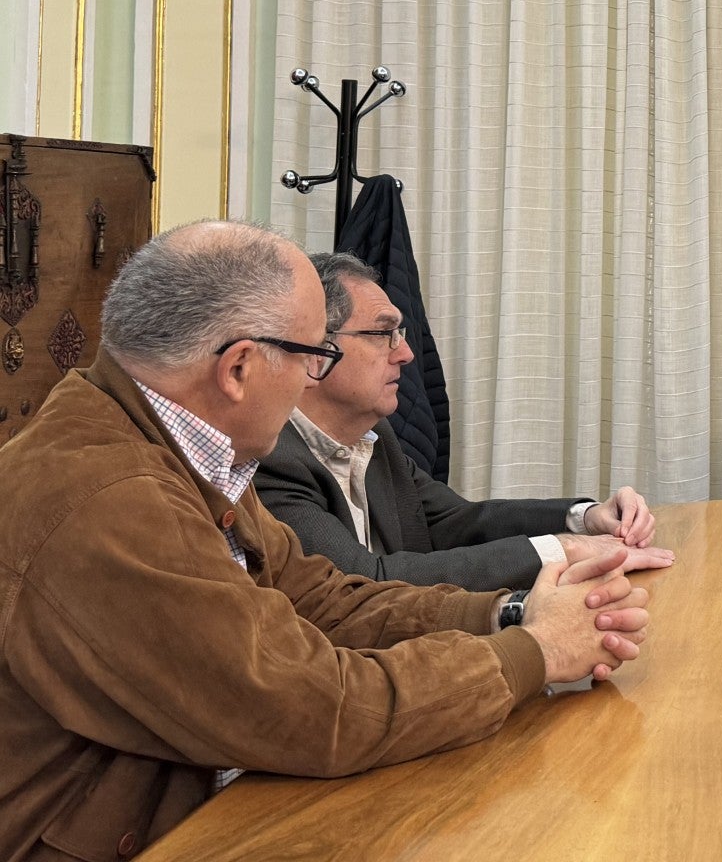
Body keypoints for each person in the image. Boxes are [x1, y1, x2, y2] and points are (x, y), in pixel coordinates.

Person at [0, 221, 650, 858]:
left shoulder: (180, 442)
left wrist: (506, 612)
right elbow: (315, 710)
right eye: (315, 355)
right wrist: (530, 652)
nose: (316, 379)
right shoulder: (113, 497)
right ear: (239, 369)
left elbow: (327, 600)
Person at [256, 253, 672, 590]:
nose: (405, 355)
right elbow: (363, 585)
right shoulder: (269, 456)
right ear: (316, 350)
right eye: (383, 335)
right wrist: (560, 551)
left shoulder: (373, 436)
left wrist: (584, 517)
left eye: (400, 335)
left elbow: (454, 521)